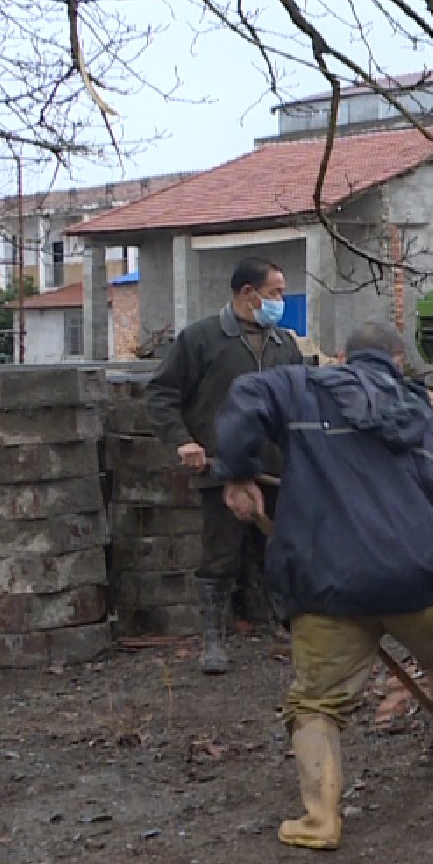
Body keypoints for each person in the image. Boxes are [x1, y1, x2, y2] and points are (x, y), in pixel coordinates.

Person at [211, 321, 433, 851]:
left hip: (328, 582)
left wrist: (238, 474)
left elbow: (246, 394)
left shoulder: (299, 387)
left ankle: (320, 818)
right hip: (414, 573)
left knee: (317, 702)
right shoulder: (417, 408)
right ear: (397, 361)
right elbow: (432, 483)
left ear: (342, 357)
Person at [146, 256, 305, 674]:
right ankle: (213, 639)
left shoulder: (283, 343)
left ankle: (277, 626)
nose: (280, 301)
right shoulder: (201, 339)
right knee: (221, 555)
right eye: (275, 293)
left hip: (274, 467)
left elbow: (299, 401)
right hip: (220, 469)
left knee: (275, 548)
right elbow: (162, 393)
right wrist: (182, 441)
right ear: (248, 293)